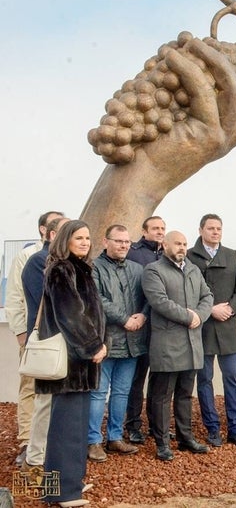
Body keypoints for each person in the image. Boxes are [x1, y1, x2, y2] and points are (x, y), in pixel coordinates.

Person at [36, 220, 108, 507]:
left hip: (82, 362)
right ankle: (61, 492)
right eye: (78, 237)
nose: (85, 242)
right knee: (65, 428)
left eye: (88, 238)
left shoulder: (79, 268)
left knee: (75, 426)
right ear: (64, 239)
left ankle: (70, 484)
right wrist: (93, 346)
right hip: (71, 361)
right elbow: (70, 314)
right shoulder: (62, 269)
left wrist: (101, 345)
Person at [142, 231, 214, 461]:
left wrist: (199, 316)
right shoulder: (154, 271)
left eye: (184, 244)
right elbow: (159, 302)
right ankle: (162, 443)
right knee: (163, 396)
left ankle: (186, 438)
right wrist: (188, 316)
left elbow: (207, 296)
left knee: (184, 394)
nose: (182, 247)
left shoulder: (193, 269)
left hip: (192, 344)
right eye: (177, 243)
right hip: (167, 345)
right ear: (165, 245)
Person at [186, 214, 236, 449]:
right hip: (202, 326)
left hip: (228, 325)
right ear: (201, 229)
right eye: (211, 228)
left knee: (232, 377)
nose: (215, 232)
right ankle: (212, 428)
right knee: (204, 379)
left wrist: (231, 308)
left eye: (219, 228)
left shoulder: (231, 255)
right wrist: (209, 309)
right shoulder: (190, 256)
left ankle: (235, 428)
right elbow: (187, 289)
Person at [7, 210, 64, 466]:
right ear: (46, 230)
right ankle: (26, 442)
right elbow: (15, 296)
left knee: (51, 393)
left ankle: (46, 443)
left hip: (58, 340)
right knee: (30, 389)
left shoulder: (66, 259)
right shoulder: (30, 257)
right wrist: (21, 333)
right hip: (35, 337)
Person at [87, 225, 148, 462]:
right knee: (98, 393)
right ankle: (93, 441)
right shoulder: (94, 267)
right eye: (118, 241)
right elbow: (97, 299)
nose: (124, 245)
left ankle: (114, 438)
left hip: (133, 342)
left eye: (126, 242)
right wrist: (125, 319)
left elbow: (148, 297)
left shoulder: (137, 268)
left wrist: (142, 315)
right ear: (105, 241)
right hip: (106, 341)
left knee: (122, 392)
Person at [19, 217, 69, 470]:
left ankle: (51, 460)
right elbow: (50, 303)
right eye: (66, 232)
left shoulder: (67, 264)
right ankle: (34, 461)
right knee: (43, 403)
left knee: (57, 406)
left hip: (65, 344)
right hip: (49, 342)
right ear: (51, 235)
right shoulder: (39, 262)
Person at [124, 215, 166, 444]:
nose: (160, 232)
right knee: (136, 379)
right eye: (155, 228)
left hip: (162, 328)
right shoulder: (134, 252)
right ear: (144, 230)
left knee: (158, 380)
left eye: (162, 228)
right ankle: (132, 425)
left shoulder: (166, 253)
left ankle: (156, 425)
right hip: (139, 325)